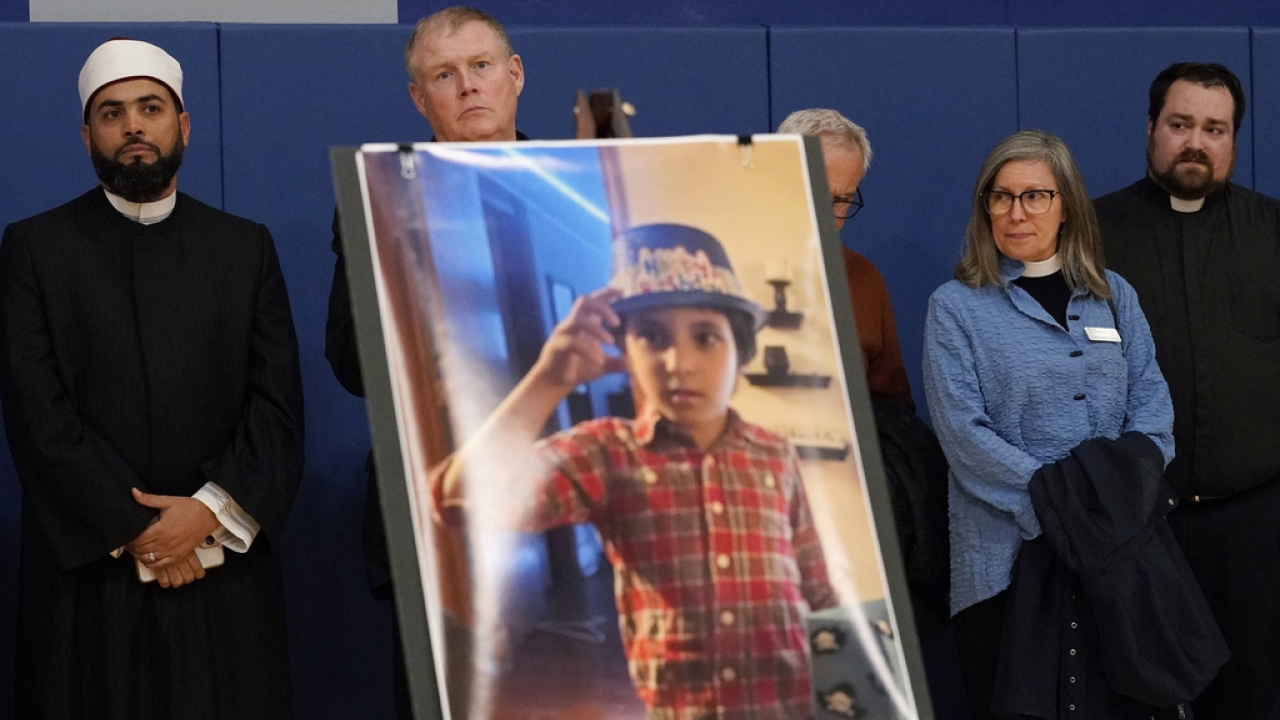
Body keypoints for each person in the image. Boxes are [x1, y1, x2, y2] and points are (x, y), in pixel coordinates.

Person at [0, 38, 304, 719]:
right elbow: (36, 412)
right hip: (89, 580)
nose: (133, 125)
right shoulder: (35, 248)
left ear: (183, 125)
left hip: (222, 570)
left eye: (150, 107)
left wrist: (203, 515)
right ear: (87, 135)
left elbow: (276, 409)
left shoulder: (243, 248)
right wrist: (136, 527)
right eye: (112, 113)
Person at [433, 223, 838, 720]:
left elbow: (817, 585)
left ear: (741, 353)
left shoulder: (775, 454)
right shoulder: (607, 452)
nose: (678, 362)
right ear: (626, 352)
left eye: (706, 337)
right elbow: (460, 502)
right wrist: (547, 380)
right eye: (651, 336)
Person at [921, 131, 1174, 719]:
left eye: (1035, 195)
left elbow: (1154, 414)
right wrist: (1065, 510)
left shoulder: (1115, 297)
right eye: (1000, 196)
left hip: (1117, 559)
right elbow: (965, 435)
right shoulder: (956, 307)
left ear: (1066, 206)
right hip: (1007, 567)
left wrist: (1112, 509)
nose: (1016, 212)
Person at [322, 6, 527, 718]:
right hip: (436, 518)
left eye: (479, 66)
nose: (467, 86)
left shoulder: (578, 180)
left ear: (514, 75)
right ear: (419, 98)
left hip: (572, 514)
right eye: (444, 75)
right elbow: (349, 361)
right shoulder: (383, 197)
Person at [1094, 62, 1280, 720]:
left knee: (1256, 694)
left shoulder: (1273, 232)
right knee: (1136, 697)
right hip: (1136, 525)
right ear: (1150, 129)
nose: (1196, 142)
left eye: (1214, 128)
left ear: (1233, 139)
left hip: (1255, 527)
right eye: (1180, 125)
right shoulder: (1091, 235)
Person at [776, 108, 914, 410]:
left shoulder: (864, 278)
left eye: (841, 200)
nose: (827, 215)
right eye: (815, 192)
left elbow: (895, 406)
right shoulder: (723, 266)